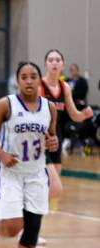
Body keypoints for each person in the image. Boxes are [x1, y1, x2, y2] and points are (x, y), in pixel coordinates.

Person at [0, 62, 59, 248]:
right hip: (10, 172)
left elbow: (51, 137)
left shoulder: (49, 108)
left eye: (33, 76)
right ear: (18, 80)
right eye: (24, 76)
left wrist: (52, 142)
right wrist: (1, 154)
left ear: (38, 80)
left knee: (33, 225)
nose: (29, 80)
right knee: (14, 226)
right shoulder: (6, 105)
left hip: (36, 172)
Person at [39, 50, 93, 208]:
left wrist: (84, 114)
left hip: (57, 139)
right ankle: (27, 209)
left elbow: (74, 114)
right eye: (50, 59)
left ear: (62, 65)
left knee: (52, 190)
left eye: (57, 60)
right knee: (52, 186)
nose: (54, 62)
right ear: (45, 64)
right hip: (40, 141)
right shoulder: (39, 86)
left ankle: (33, 218)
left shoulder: (65, 87)